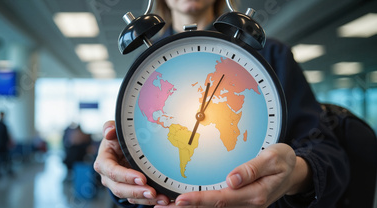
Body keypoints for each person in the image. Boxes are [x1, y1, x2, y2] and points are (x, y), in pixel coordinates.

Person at [93, 0, 349, 207]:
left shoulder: (271, 56)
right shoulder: (149, 68)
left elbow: (330, 156)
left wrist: (294, 177)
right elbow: (135, 165)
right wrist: (124, 181)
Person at [0, 111, 14, 177]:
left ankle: (8, 171)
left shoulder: (4, 125)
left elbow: (6, 135)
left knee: (6, 158)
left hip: (4, 145)